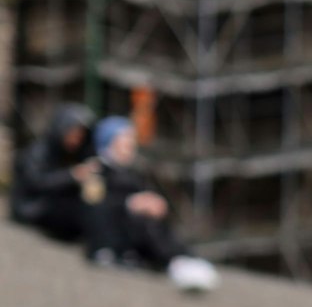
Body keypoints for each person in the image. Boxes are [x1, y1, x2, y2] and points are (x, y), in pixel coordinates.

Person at [79, 116, 217, 292]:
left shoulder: (130, 173)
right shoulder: (96, 172)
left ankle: (183, 257)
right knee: (143, 221)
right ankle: (174, 262)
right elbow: (94, 207)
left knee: (155, 222)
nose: (130, 145)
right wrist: (130, 204)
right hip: (112, 239)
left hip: (132, 233)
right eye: (125, 139)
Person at [8, 104, 96, 241]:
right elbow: (37, 183)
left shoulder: (72, 153)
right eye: (72, 134)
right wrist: (72, 175)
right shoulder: (38, 151)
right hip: (31, 207)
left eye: (79, 137)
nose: (75, 140)